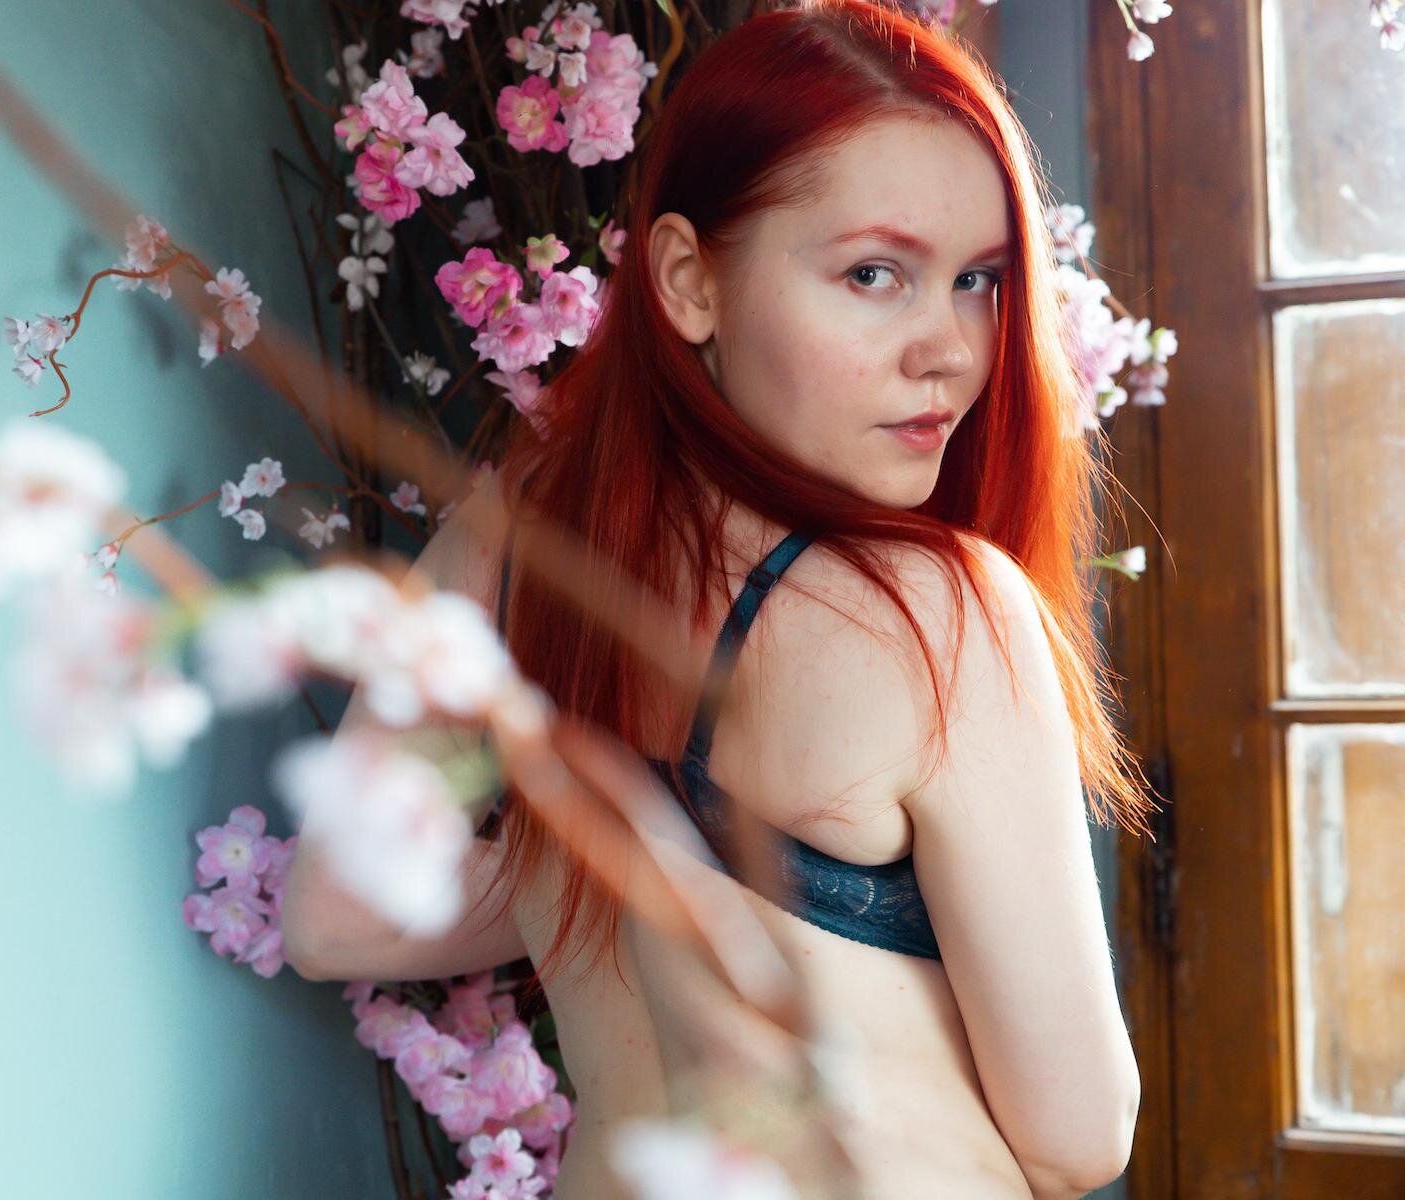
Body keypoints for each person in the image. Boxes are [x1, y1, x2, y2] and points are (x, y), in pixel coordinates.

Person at [281, 1, 1154, 1196]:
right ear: (689, 280)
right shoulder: (935, 613)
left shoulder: (515, 544)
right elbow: (1077, 1138)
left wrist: (625, 866)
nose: (949, 347)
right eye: (873, 274)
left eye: (977, 281)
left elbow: (338, 918)